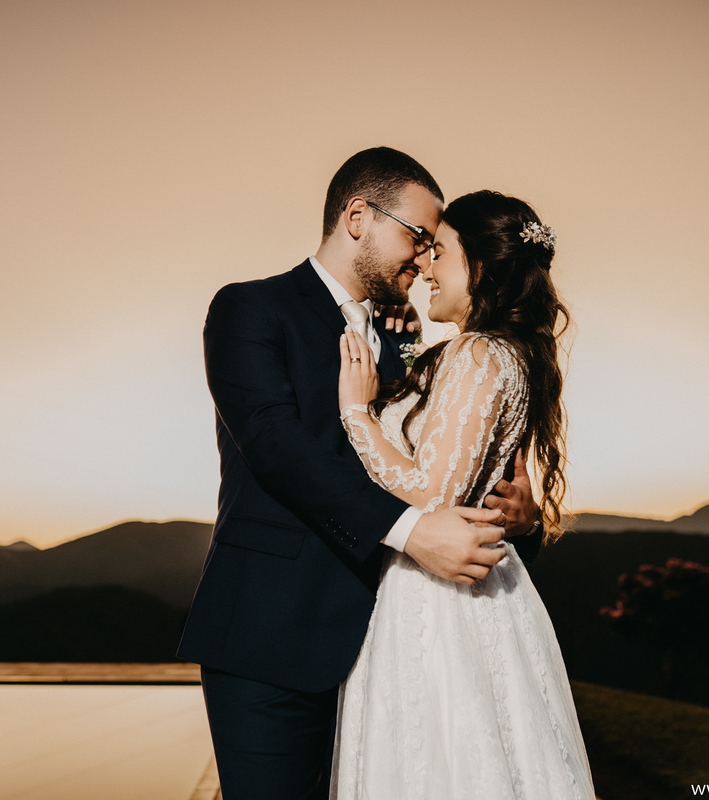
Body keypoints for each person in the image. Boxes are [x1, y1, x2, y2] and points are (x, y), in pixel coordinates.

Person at [178, 149, 545, 800]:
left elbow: (448, 463)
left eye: (434, 245)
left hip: (394, 648)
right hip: (274, 638)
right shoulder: (251, 309)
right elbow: (275, 446)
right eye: (418, 236)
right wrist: (411, 532)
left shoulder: (416, 341)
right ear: (358, 218)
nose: (425, 258)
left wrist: (521, 517)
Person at [331, 190, 595, 798]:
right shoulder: (507, 354)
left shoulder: (477, 355)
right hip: (481, 591)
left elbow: (429, 495)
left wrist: (357, 414)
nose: (426, 265)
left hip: (434, 597)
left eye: (441, 251)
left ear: (480, 266)